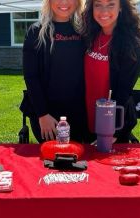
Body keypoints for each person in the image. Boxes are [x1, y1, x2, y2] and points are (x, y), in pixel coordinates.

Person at [21, 0, 87, 143]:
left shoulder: (86, 31)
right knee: (51, 160)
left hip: (81, 116)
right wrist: (42, 114)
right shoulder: (36, 32)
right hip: (47, 117)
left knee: (81, 159)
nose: (64, 2)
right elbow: (31, 76)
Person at [82, 0, 140, 142]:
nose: (103, 11)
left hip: (111, 126)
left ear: (121, 8)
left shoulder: (131, 44)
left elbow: (124, 90)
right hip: (86, 121)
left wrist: (112, 131)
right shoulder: (89, 36)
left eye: (111, 4)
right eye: (98, 5)